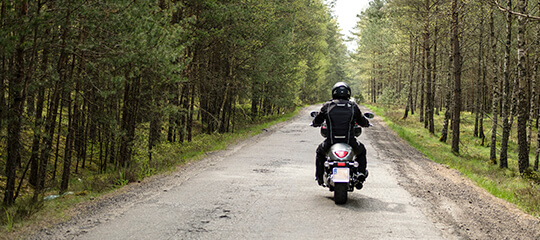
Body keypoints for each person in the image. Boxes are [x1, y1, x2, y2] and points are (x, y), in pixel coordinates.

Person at [311, 82, 371, 189]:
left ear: (334, 92)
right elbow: (362, 120)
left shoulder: (327, 106)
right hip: (350, 141)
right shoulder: (352, 106)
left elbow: (318, 119)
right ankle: (361, 174)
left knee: (320, 152)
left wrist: (315, 123)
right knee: (362, 151)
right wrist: (367, 123)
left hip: (331, 141)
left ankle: (319, 177)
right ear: (348, 93)